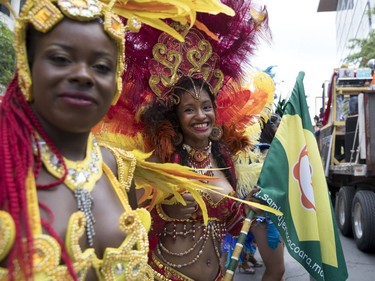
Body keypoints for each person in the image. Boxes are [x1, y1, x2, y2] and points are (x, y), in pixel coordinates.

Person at [0, 0, 235, 280]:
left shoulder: (118, 167)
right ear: (27, 65)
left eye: (101, 66)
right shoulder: (7, 163)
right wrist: (166, 208)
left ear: (116, 82)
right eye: (61, 58)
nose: (84, 75)